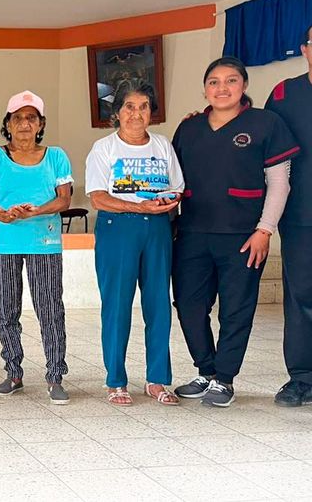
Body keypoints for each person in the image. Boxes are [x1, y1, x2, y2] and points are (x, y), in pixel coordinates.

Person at [172, 57, 298, 407]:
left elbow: (280, 183)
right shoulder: (189, 128)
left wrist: (265, 230)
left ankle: (224, 378)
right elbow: (172, 180)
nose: (222, 88)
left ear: (244, 86)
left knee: (236, 309)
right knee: (188, 304)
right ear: (205, 89)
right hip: (193, 233)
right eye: (214, 81)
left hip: (244, 236)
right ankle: (205, 369)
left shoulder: (266, 123)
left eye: (231, 80)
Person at [85, 79, 183, 407]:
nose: (136, 114)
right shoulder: (104, 148)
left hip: (157, 229)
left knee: (158, 304)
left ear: (151, 113)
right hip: (118, 229)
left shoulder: (163, 146)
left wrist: (165, 202)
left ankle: (157, 379)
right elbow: (98, 197)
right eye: (129, 107)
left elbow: (177, 188)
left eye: (143, 107)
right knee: (117, 305)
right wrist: (139, 206)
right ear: (117, 112)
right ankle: (116, 381)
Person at [0, 90, 73, 405]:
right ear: (8, 123)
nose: (24, 124)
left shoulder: (56, 156)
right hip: (5, 243)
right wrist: (2, 215)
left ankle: (55, 376)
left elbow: (64, 199)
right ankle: (13, 373)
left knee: (50, 310)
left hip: (44, 243)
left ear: (41, 123)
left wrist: (36, 211)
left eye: (31, 118)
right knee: (7, 310)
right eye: (17, 118)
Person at [264, 24, 312, 407]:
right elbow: (261, 143)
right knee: (301, 296)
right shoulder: (284, 94)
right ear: (305, 49)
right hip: (300, 216)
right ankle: (302, 378)